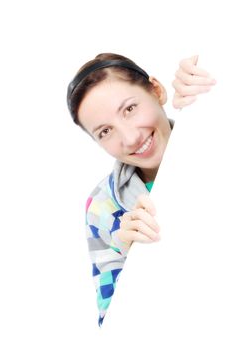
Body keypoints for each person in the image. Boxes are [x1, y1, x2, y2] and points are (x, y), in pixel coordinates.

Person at [67, 53, 216, 326]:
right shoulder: (103, 206)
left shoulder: (216, 132)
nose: (131, 137)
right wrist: (128, 253)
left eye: (129, 109)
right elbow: (109, 321)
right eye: (105, 131)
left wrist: (213, 92)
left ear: (157, 91)